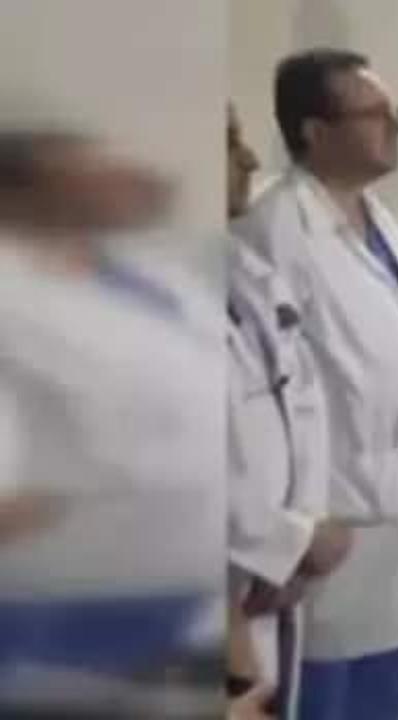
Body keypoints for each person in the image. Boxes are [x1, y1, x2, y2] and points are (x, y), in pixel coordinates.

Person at [232, 49, 398, 720]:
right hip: (328, 538)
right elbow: (270, 402)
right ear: (315, 131)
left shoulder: (383, 223)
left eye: (394, 111)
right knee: (324, 696)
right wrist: (282, 540)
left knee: (383, 693)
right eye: (375, 113)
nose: (395, 126)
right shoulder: (274, 230)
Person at [0, 129, 222, 707]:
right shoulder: (13, 293)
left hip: (187, 605)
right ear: (19, 192)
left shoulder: (155, 279)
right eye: (89, 170)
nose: (126, 177)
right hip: (55, 620)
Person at [226, 102, 352, 720]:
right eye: (229, 141)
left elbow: (297, 409)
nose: (251, 158)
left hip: (269, 586)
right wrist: (288, 541)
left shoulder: (244, 272)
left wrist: (296, 547)